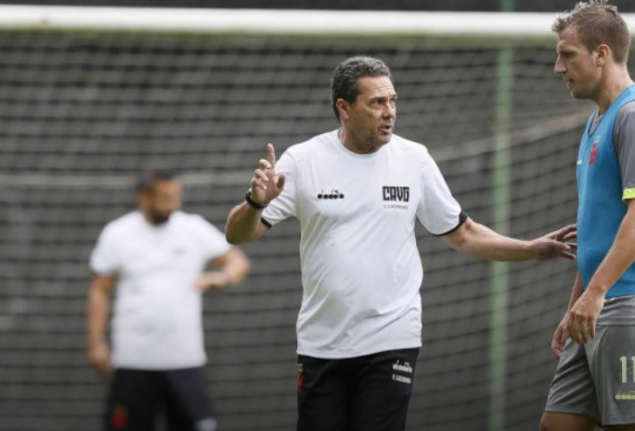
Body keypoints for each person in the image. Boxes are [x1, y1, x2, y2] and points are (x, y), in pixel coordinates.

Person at [224, 55, 577, 431]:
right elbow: (237, 234)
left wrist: (531, 249)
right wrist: (255, 202)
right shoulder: (303, 160)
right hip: (321, 343)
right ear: (344, 108)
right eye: (377, 102)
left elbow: (465, 234)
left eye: (392, 101)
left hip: (391, 337)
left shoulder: (414, 159)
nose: (389, 112)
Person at [540, 2, 635, 430]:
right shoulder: (597, 121)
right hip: (602, 301)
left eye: (567, 55)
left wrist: (595, 293)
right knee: (557, 425)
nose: (558, 67)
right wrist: (576, 305)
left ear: (601, 54)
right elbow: (597, 232)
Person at [87, 168, 250, 431]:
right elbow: (100, 290)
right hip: (133, 359)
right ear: (143, 197)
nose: (172, 204)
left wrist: (223, 278)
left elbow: (237, 262)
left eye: (175, 196)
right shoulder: (118, 233)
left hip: (184, 359)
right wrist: (96, 343)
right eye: (165, 198)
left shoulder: (193, 228)